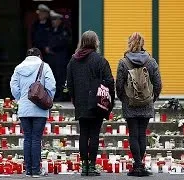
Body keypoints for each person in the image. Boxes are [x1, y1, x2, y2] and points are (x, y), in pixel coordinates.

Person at [67, 31, 115, 176]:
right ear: (95, 42)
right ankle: (92, 166)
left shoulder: (73, 61)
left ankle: (84, 166)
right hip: (97, 102)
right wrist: (109, 101)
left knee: (83, 133)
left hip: (81, 102)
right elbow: (110, 81)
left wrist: (74, 98)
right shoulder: (100, 60)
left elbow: (69, 84)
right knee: (94, 134)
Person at [116, 32, 162, 177]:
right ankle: (140, 165)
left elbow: (118, 84)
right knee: (142, 134)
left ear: (129, 43)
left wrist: (123, 98)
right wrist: (152, 98)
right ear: (143, 43)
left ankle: (137, 165)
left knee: (133, 134)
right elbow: (158, 83)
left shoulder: (123, 62)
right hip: (147, 102)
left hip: (130, 103)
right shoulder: (151, 61)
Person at [10, 48, 56, 177]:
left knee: (27, 138)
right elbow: (51, 85)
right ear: (39, 55)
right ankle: (36, 170)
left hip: (24, 108)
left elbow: (14, 88)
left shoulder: (18, 68)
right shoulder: (44, 66)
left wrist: (21, 98)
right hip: (40, 109)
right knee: (36, 138)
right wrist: (47, 99)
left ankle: (28, 170)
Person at [46, 10, 70, 101]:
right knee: (52, 78)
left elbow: (64, 43)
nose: (53, 22)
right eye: (52, 20)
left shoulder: (64, 30)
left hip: (61, 59)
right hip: (52, 60)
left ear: (59, 20)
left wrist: (51, 47)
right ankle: (54, 96)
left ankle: (62, 96)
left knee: (61, 79)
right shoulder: (50, 30)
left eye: (55, 20)